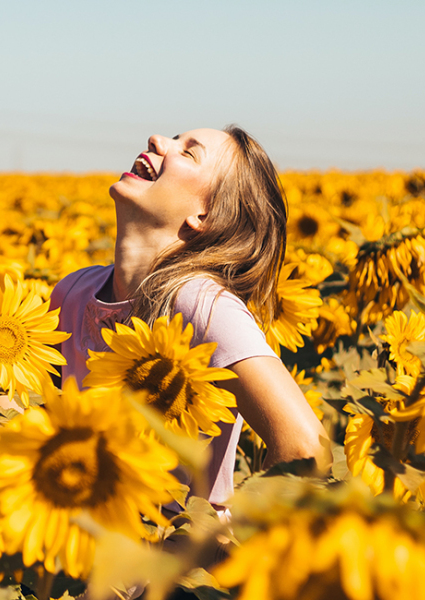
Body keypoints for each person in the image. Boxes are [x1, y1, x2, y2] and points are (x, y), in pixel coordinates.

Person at [50, 126, 329, 512]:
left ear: (205, 215)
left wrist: (226, 547)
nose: (156, 140)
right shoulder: (73, 292)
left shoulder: (200, 304)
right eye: (173, 138)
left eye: (187, 152)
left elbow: (305, 447)